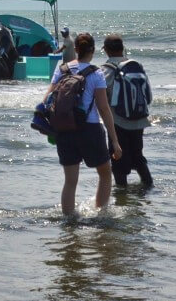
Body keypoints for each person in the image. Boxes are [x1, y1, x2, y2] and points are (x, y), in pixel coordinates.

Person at [41, 33, 122, 216]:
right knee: (105, 173)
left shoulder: (61, 69)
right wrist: (115, 141)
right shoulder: (96, 73)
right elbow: (103, 108)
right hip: (90, 129)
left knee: (70, 181)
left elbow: (47, 100)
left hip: (64, 130)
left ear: (75, 49)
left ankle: (68, 222)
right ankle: (101, 215)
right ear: (92, 50)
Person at [101, 34, 153, 187]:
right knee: (138, 157)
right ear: (122, 49)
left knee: (118, 160)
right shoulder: (136, 66)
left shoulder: (106, 70)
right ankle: (148, 187)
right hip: (139, 120)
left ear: (106, 50)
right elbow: (148, 96)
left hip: (117, 122)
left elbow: (102, 98)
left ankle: (122, 198)